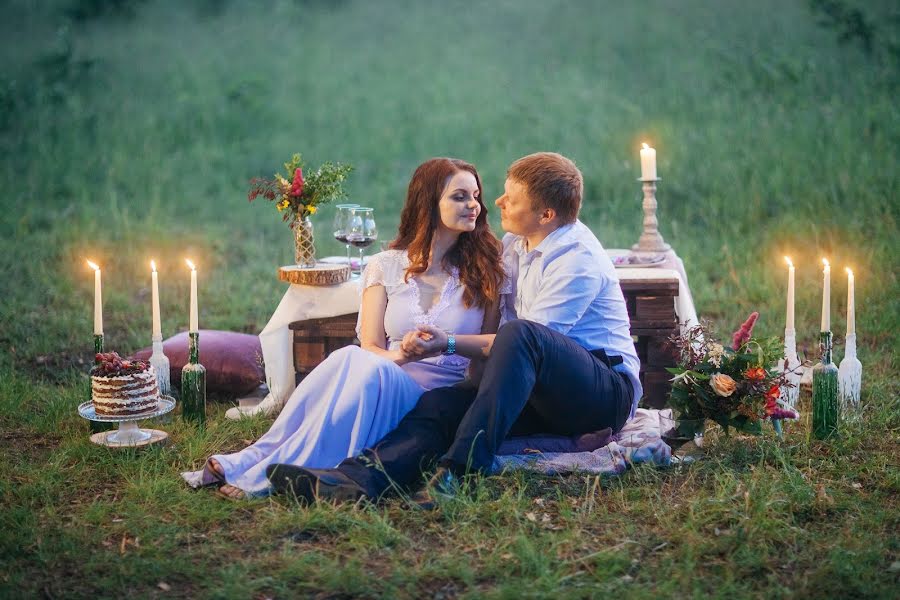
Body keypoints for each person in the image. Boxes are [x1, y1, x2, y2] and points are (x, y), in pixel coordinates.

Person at [267, 152, 643, 507]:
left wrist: (446, 343)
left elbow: (529, 344)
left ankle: (457, 475)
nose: (496, 202)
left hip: (601, 390)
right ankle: (350, 482)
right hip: (536, 389)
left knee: (522, 334)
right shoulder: (515, 245)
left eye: (511, 198)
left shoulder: (577, 260)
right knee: (442, 405)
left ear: (545, 214)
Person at [181, 158, 506, 498]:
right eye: (460, 196)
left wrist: (446, 344)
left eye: (476, 195)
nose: (474, 205)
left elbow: (493, 346)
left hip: (434, 401)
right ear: (428, 203)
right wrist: (402, 355)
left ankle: (263, 478)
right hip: (384, 374)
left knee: (356, 364)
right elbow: (369, 345)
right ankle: (254, 458)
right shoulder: (385, 265)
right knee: (354, 357)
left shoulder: (487, 270)